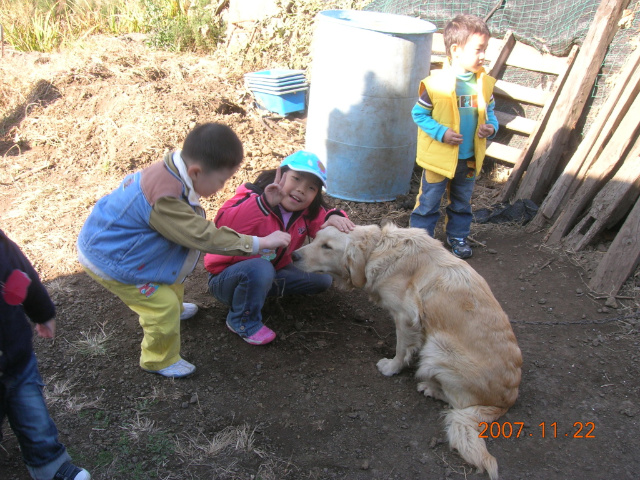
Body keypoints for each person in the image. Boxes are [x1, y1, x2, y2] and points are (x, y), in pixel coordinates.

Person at [77, 123, 290, 378]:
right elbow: (202, 235)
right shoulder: (166, 199)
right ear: (196, 171)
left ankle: (174, 312)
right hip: (112, 259)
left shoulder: (173, 170)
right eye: (222, 181)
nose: (222, 188)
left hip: (124, 246)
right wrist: (259, 243)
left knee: (172, 278)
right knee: (162, 305)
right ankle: (158, 359)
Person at [204, 150, 355, 345]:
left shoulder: (306, 212)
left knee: (322, 279)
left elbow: (326, 222)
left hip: (273, 270)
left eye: (311, 187)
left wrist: (335, 216)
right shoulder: (252, 197)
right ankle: (241, 321)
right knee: (260, 268)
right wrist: (264, 203)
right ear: (279, 174)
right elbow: (224, 225)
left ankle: (259, 291)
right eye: (296, 178)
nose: (301, 189)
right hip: (227, 279)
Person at [1, 229, 91, 480]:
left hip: (17, 359)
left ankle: (49, 466)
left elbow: (23, 276)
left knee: (34, 419)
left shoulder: (1, 246)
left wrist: (43, 313)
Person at [410, 13, 499, 259]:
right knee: (428, 203)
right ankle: (419, 244)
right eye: (478, 49)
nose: (483, 56)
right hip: (439, 160)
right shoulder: (435, 84)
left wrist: (490, 127)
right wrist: (442, 132)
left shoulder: (485, 84)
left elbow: (490, 113)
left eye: (485, 49)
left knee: (461, 203)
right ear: (456, 50)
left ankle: (457, 238)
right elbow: (419, 114)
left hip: (468, 158)